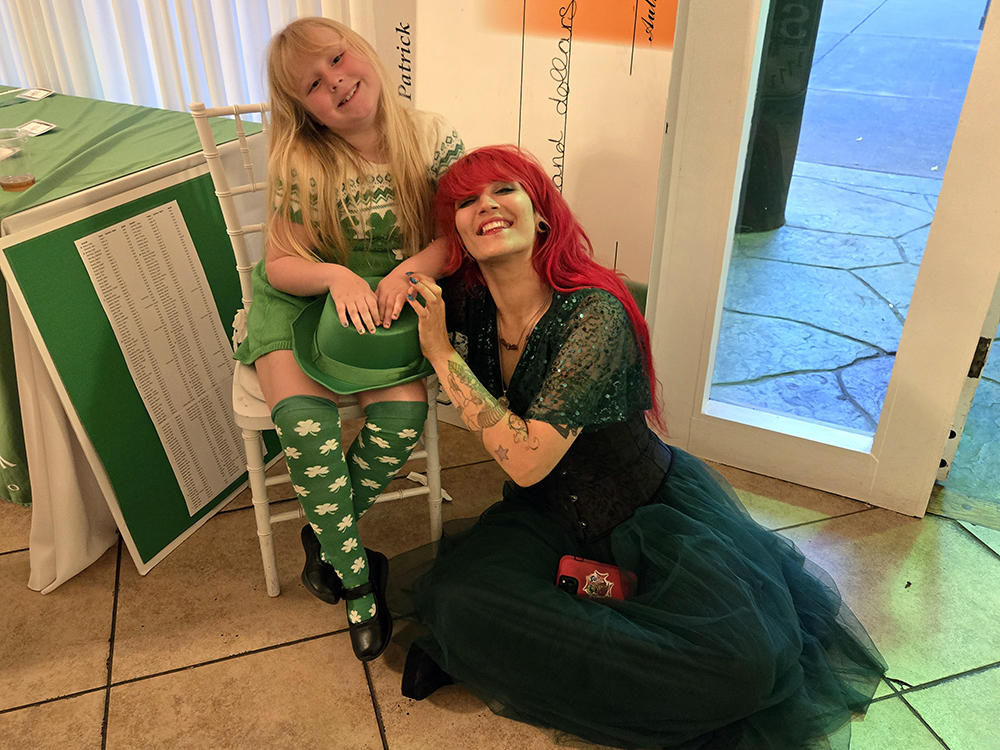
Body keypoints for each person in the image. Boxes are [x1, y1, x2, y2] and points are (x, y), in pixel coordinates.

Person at [396, 145, 887, 749]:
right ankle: (560, 649)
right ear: (456, 235)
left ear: (541, 212)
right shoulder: (467, 305)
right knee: (457, 598)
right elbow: (394, 280)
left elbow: (525, 462)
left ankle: (523, 654)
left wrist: (441, 354)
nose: (487, 207)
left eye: (505, 190)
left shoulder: (594, 313)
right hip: (544, 517)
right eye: (467, 202)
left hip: (646, 513)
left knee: (741, 666)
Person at [233, 16, 463, 662]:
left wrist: (407, 270)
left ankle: (324, 534)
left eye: (337, 58)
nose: (335, 81)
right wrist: (336, 275)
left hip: (385, 300)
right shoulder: (301, 159)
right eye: (313, 83)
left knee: (403, 417)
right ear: (303, 108)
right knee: (303, 425)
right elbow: (283, 263)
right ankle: (360, 582)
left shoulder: (431, 136)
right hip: (302, 299)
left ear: (361, 49)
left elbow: (456, 236)